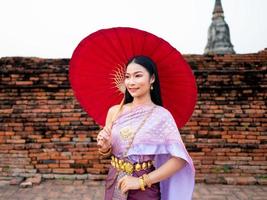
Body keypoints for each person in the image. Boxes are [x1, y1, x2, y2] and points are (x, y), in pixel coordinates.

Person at [96, 55, 195, 200]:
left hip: (144, 187)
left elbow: (180, 159)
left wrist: (141, 181)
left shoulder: (161, 116)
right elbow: (109, 152)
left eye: (138, 76)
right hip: (114, 180)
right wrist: (105, 147)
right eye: (128, 77)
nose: (131, 82)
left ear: (152, 78)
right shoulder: (115, 111)